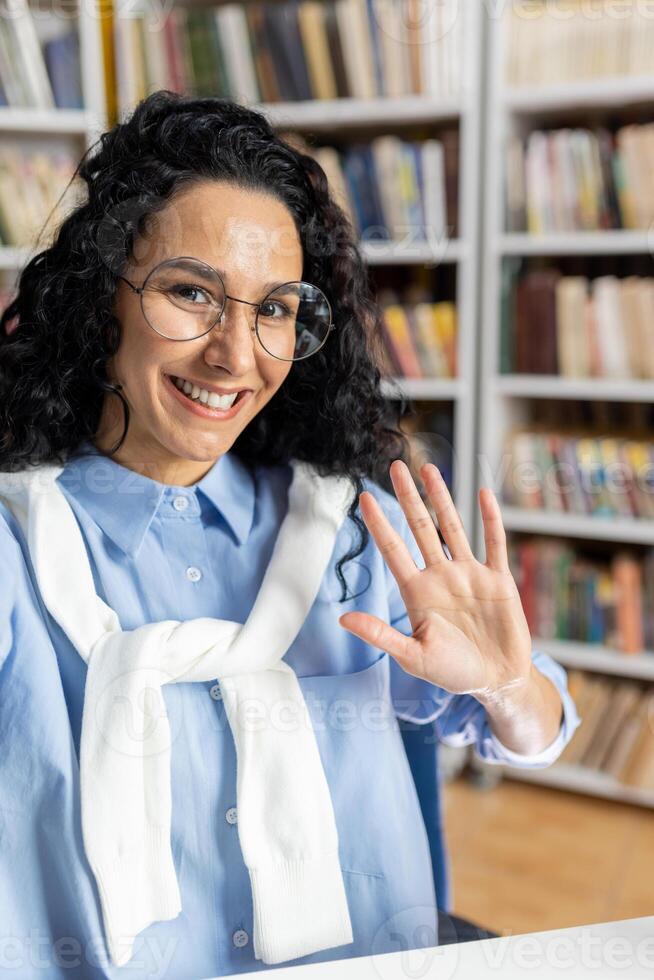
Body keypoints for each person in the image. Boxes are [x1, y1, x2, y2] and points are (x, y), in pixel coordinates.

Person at [0, 91, 581, 980]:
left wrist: (506, 684)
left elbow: (537, 729)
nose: (237, 355)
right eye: (191, 293)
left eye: (275, 308)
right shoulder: (17, 552)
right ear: (98, 299)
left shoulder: (354, 536)